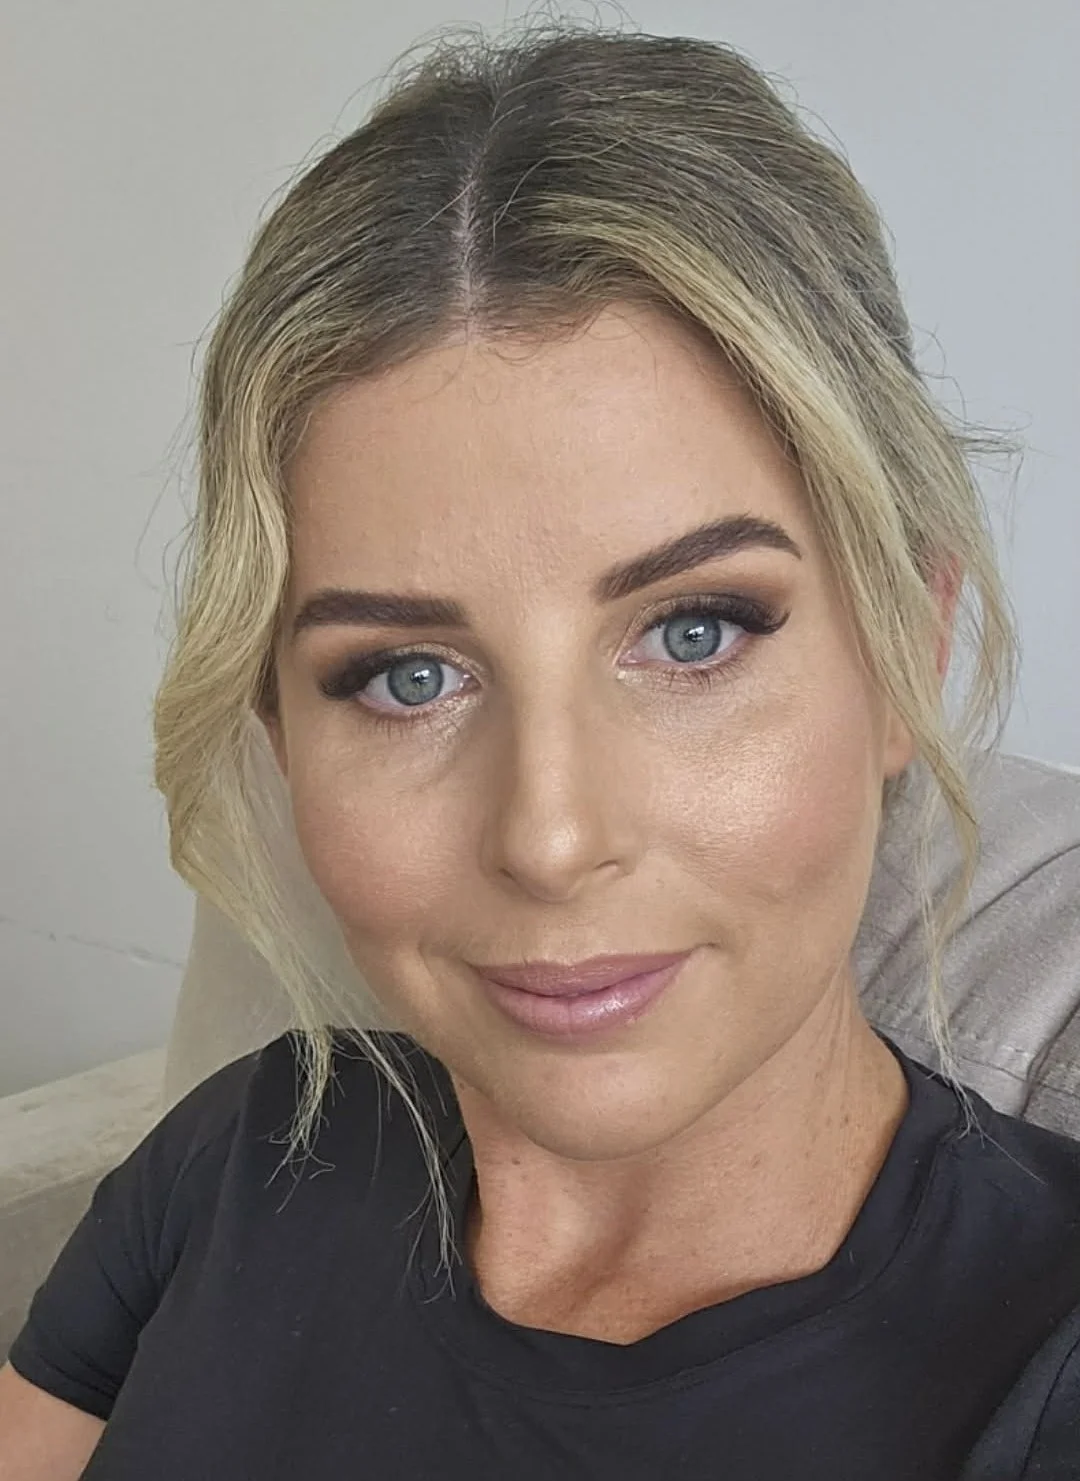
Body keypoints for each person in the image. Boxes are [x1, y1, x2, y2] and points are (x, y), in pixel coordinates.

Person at [2, 21, 1077, 1480]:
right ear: (280, 730)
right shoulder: (243, 1157)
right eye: (408, 677)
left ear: (908, 653)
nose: (551, 837)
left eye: (693, 633)